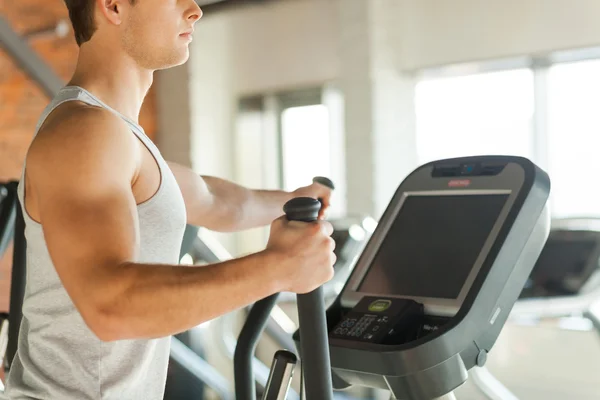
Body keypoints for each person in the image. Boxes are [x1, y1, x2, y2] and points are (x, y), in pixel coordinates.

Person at [4, 0, 335, 399]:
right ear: (112, 7)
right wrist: (280, 268)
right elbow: (112, 306)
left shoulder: (117, 135)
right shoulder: (85, 132)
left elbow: (215, 199)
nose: (194, 10)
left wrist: (296, 201)